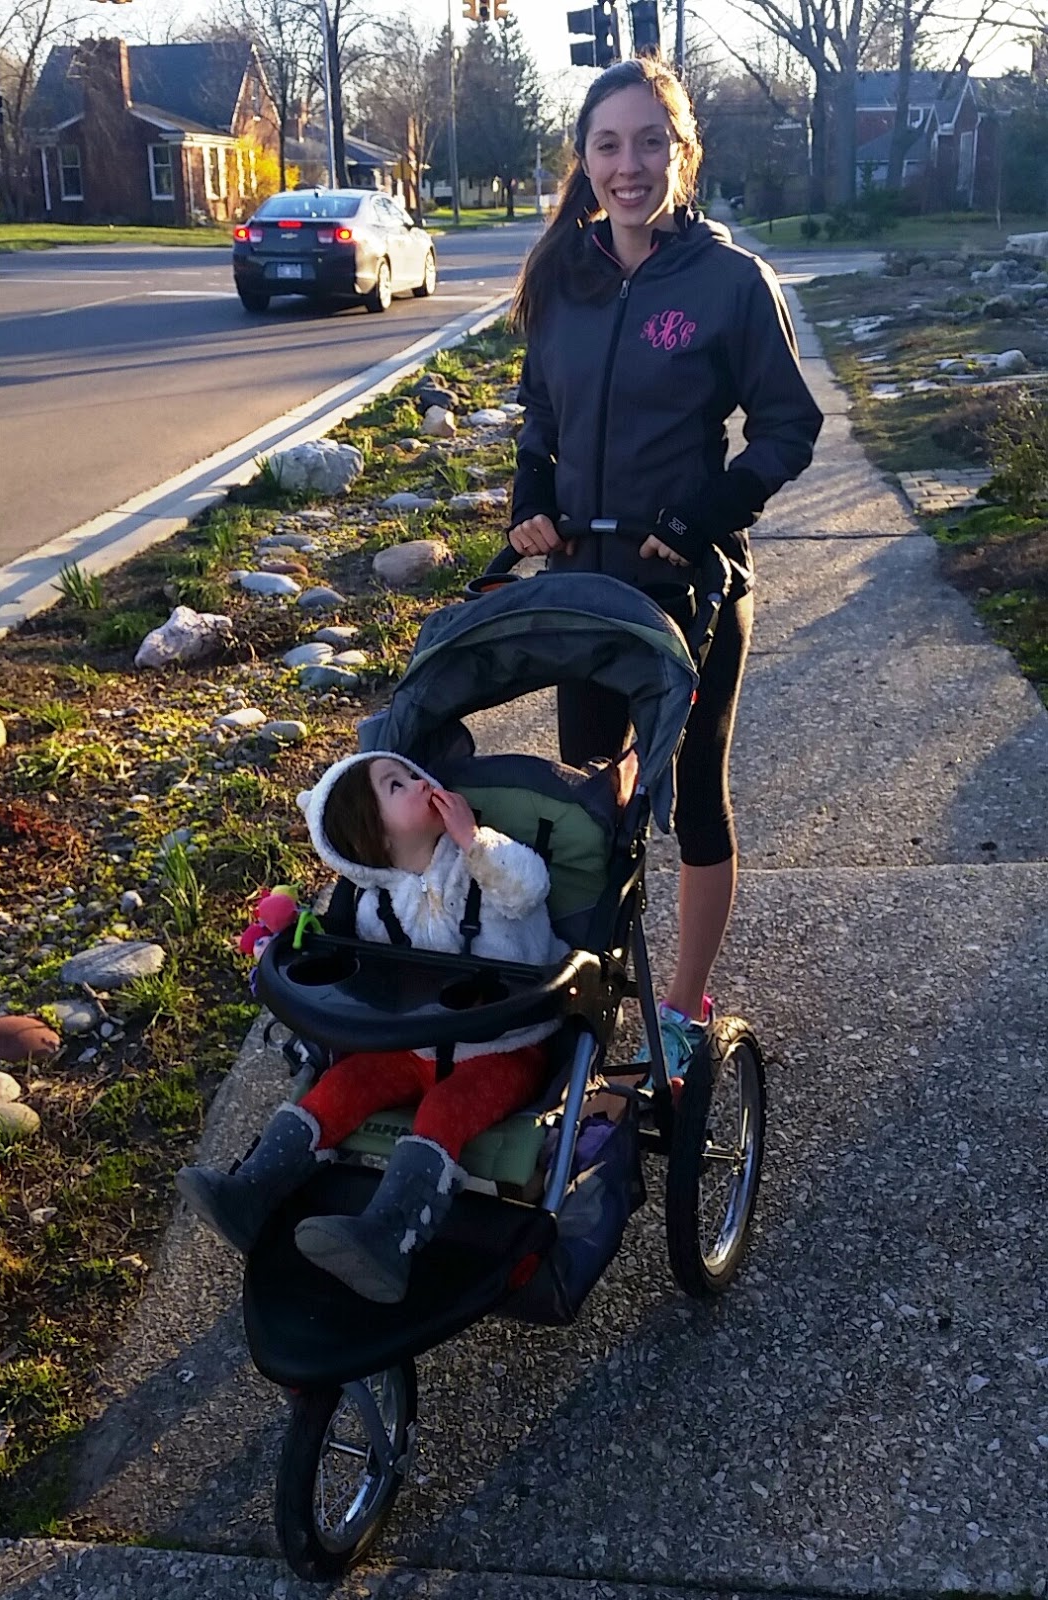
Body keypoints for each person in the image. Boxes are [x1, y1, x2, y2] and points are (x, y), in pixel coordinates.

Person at [507, 54, 822, 1079]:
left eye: (651, 142)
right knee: (592, 796)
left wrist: (700, 515)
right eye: (608, 144)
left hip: (688, 586)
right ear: (584, 157)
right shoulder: (561, 274)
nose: (628, 165)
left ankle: (681, 1007)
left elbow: (788, 425)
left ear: (684, 154)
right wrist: (530, 497)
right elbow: (541, 413)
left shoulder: (730, 283)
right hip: (582, 586)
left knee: (690, 796)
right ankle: (593, 985)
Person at [176, 752, 568, 1303]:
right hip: (415, 1047)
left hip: (505, 1047)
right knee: (344, 1083)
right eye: (396, 785)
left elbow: (527, 889)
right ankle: (252, 1191)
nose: (419, 781)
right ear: (375, 838)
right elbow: (372, 986)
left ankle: (390, 1237)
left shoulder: (484, 859)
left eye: (412, 772)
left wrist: (472, 839)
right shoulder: (374, 908)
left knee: (445, 1108)